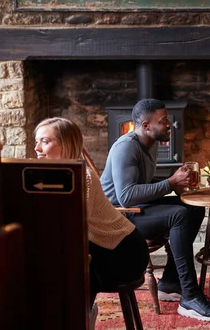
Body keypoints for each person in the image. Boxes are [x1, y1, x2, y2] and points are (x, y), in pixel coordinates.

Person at [100, 99, 210, 322]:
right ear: (146, 125)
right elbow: (126, 195)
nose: (170, 124)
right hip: (119, 216)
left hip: (136, 208)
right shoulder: (126, 147)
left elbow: (143, 182)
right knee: (180, 215)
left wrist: (174, 183)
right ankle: (190, 296)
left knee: (193, 208)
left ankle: (169, 282)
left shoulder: (152, 142)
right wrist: (169, 182)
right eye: (164, 121)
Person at [34, 117, 149, 329]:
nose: (37, 148)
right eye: (37, 141)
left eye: (45, 141)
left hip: (125, 250)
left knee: (73, 273)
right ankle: (77, 317)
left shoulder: (83, 176)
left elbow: (75, 226)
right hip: (99, 247)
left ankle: (81, 319)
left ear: (65, 144)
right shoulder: (48, 176)